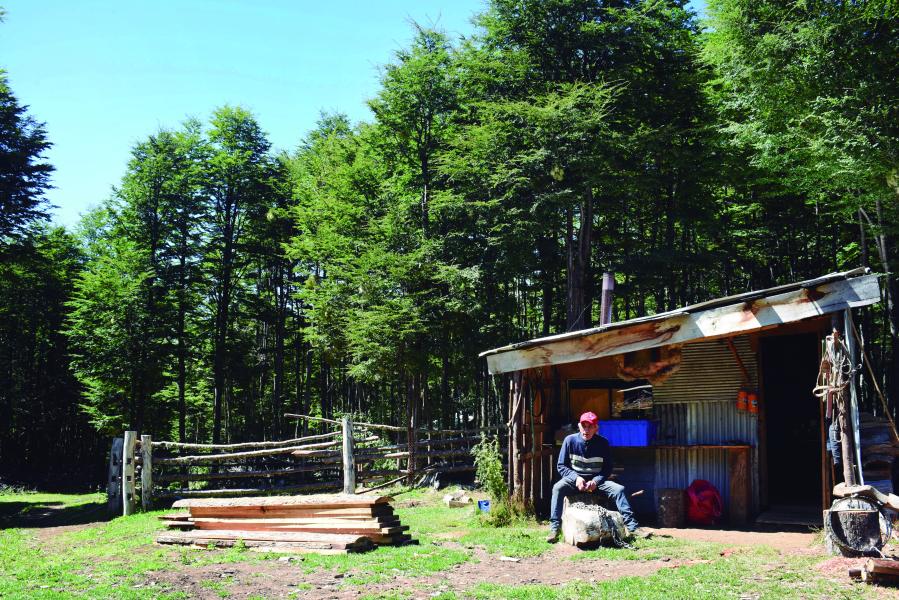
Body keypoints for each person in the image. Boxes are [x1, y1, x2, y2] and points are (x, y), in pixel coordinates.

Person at [546, 411, 648, 543]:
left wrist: (596, 481)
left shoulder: (603, 443)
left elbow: (607, 468)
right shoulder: (569, 441)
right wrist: (576, 478)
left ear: (596, 428)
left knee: (619, 490)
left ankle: (633, 527)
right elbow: (561, 466)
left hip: (597, 482)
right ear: (579, 426)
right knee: (557, 488)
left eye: (590, 426)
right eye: (584, 426)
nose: (586, 430)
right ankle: (554, 529)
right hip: (575, 481)